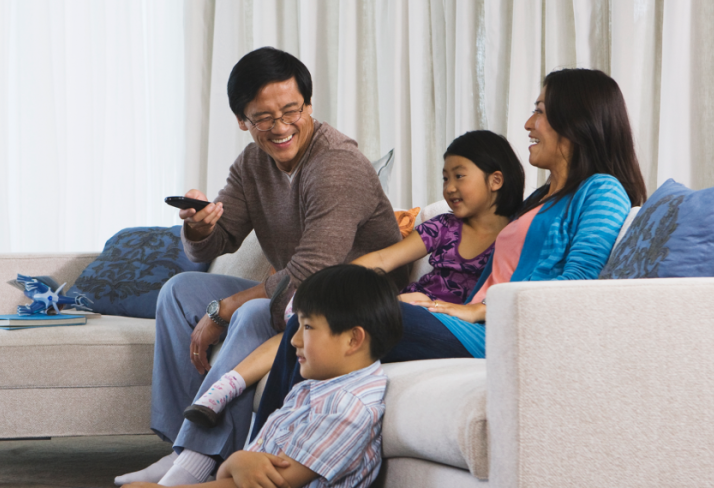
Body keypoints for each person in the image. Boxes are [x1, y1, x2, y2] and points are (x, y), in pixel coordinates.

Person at [250, 67, 649, 441]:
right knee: (310, 325)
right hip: (476, 326)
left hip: (499, 335)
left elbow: (576, 286)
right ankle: (262, 457)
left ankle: (260, 461)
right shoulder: (538, 200)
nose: (529, 124)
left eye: (540, 111)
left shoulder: (602, 189)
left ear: (575, 120)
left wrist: (472, 309)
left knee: (333, 317)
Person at [116, 47, 410, 486]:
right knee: (179, 290)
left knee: (251, 311)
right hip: (299, 299)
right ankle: (182, 445)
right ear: (243, 121)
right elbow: (212, 245)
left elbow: (313, 271)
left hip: (349, 302)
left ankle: (195, 463)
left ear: (308, 105)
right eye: (264, 118)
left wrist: (226, 308)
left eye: (291, 110)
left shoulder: (337, 164)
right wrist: (199, 226)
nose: (281, 127)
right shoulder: (252, 164)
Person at [182, 130, 525, 427]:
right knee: (310, 320)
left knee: (328, 327)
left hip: (444, 319)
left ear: (495, 180)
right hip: (405, 304)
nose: (449, 188)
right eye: (445, 177)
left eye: (459, 176)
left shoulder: (517, 235)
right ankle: (229, 388)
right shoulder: (444, 226)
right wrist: (330, 286)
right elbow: (383, 259)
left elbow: (500, 296)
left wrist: (431, 306)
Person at [127, 264, 402, 488]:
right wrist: (235, 465)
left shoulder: (346, 408)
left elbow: (274, 482)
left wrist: (234, 463)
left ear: (353, 339)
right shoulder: (319, 388)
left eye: (307, 327)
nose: (293, 340)